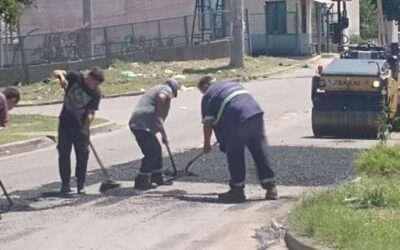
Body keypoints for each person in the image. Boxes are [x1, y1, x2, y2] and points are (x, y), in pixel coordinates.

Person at [198, 75, 278, 203]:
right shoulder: (230, 83)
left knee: (235, 153)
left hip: (236, 118)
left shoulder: (208, 95)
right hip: (255, 113)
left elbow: (208, 123)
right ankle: (271, 187)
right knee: (259, 150)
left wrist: (206, 144)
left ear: (204, 87)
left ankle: (237, 190)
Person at [53, 67, 104, 194]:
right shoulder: (76, 77)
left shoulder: (96, 93)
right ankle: (65, 185)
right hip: (65, 123)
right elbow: (57, 72)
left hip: (80, 126)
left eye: (97, 84)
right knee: (64, 154)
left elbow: (91, 112)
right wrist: (62, 79)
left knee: (83, 154)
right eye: (95, 83)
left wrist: (86, 127)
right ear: (90, 78)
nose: (95, 86)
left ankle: (80, 184)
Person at [129, 79, 179, 190]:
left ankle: (157, 176)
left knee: (156, 149)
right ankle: (141, 179)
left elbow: (157, 121)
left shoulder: (155, 88)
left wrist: (162, 132)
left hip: (137, 123)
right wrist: (159, 115)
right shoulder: (166, 89)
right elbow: (162, 98)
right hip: (141, 124)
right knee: (152, 152)